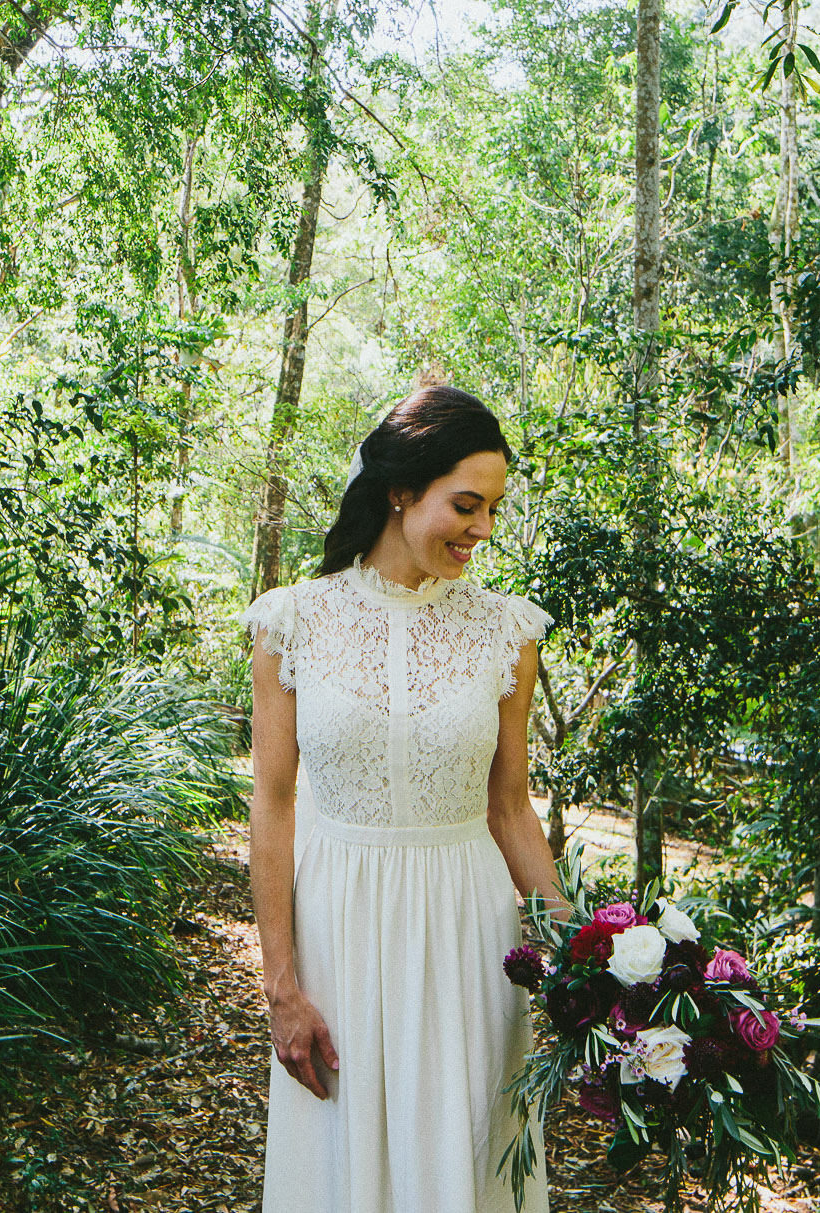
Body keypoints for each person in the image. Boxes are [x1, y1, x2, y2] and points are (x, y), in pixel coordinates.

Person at [245, 385, 566, 1213]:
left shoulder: (507, 631)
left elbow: (509, 807)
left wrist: (582, 950)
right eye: (466, 504)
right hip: (337, 931)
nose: (483, 529)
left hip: (467, 930)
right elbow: (273, 807)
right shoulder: (293, 620)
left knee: (461, 1156)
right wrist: (281, 985)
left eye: (492, 508)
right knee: (343, 1164)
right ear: (399, 489)